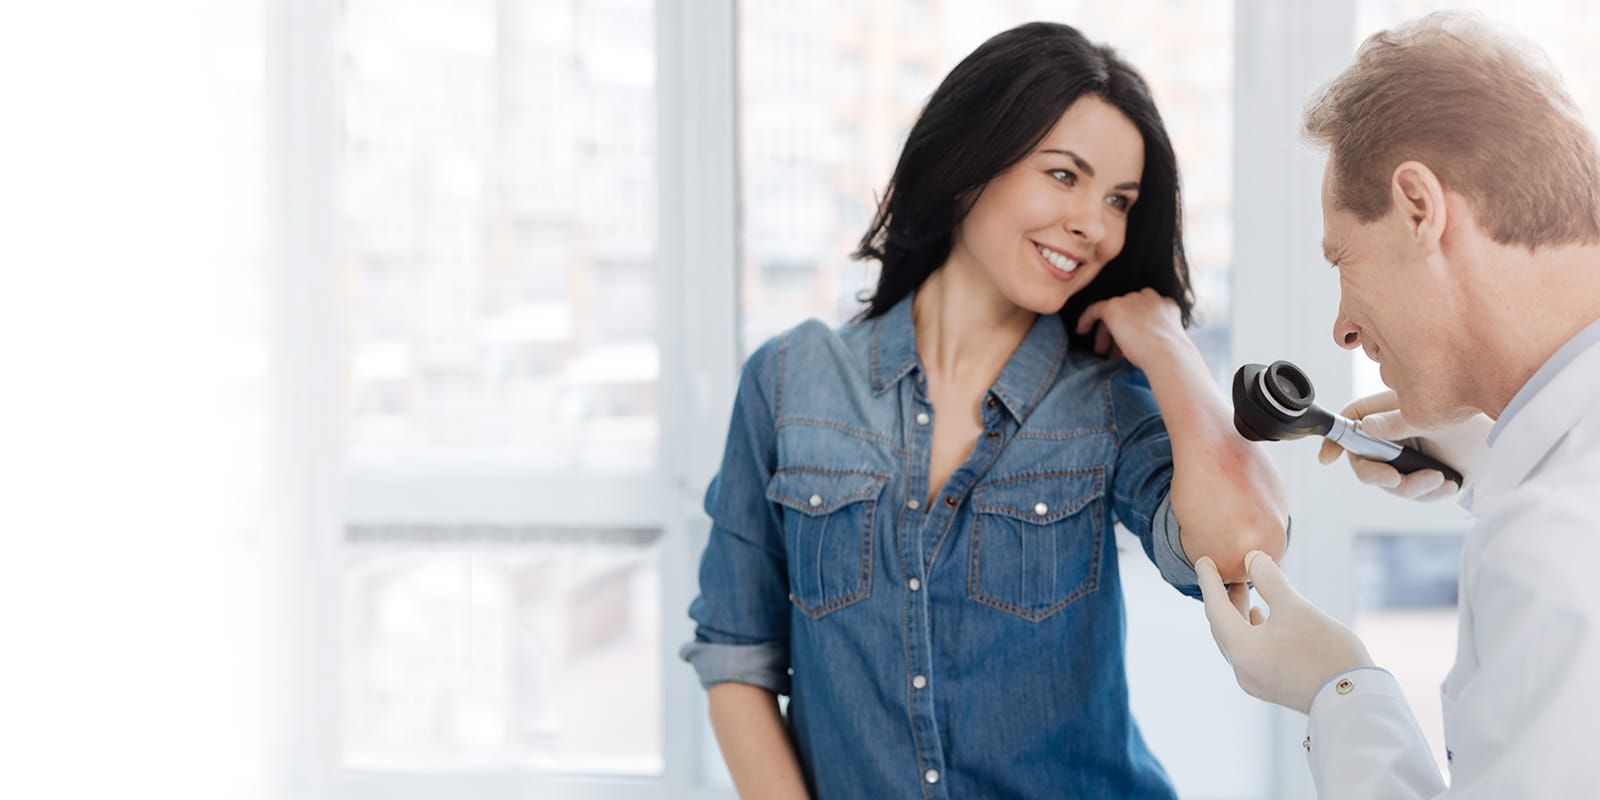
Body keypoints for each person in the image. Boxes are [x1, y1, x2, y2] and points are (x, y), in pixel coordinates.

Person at [680, 21, 1288, 799]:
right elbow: (736, 655)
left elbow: (1244, 548)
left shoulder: (1104, 402)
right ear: (970, 166)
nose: (1095, 226)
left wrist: (1168, 344)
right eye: (1064, 175)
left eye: (1119, 201)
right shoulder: (790, 381)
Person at [1195, 11, 1600, 798]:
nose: (1343, 328)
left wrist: (1340, 690)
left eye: (1343, 260)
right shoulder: (1557, 488)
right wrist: (1503, 453)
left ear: (1419, 206)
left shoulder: (1555, 540)